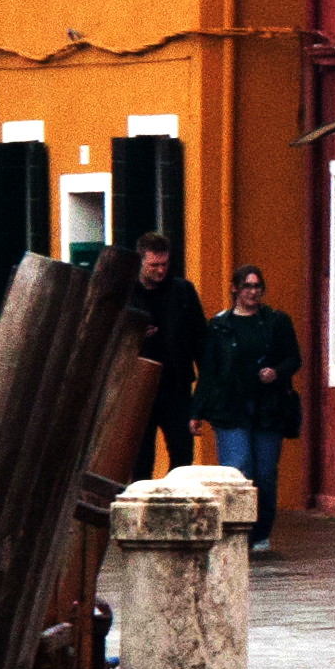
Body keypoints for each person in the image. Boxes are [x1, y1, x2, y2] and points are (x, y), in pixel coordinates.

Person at [196, 264, 303, 552]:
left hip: (268, 407)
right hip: (230, 407)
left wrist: (276, 372)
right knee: (238, 469)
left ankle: (260, 532)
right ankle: (237, 530)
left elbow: (294, 358)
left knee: (265, 473)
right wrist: (196, 411)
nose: (253, 292)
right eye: (247, 287)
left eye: (257, 287)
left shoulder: (276, 322)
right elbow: (208, 370)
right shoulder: (219, 326)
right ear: (235, 289)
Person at [124, 231, 211, 473]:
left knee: (182, 455)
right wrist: (135, 335)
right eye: (153, 265)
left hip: (176, 385)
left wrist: (201, 396)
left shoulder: (182, 291)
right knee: (139, 459)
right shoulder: (127, 293)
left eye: (164, 264)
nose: (160, 271)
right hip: (137, 386)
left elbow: (200, 341)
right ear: (140, 261)